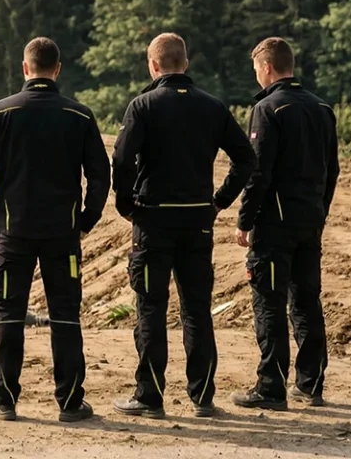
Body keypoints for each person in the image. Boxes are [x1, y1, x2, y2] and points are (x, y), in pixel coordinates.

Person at [110, 33, 256, 419]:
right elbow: (246, 158)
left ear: (153, 66)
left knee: (151, 309)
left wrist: (126, 205)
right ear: (185, 64)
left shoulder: (142, 106)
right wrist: (219, 201)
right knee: (196, 310)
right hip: (196, 220)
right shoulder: (213, 106)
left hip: (153, 219)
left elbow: (122, 161)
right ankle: (203, 396)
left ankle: (150, 396)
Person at [0, 37, 109, 423]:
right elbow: (100, 174)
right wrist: (87, 219)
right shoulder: (79, 116)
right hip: (62, 235)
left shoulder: (0, 113)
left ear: (25, 69)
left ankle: (5, 400)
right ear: (57, 69)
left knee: (9, 317)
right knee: (66, 317)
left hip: (13, 233)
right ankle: (69, 402)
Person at [232, 37, 338, 411]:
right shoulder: (323, 108)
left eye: (256, 69)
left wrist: (245, 219)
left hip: (276, 224)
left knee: (270, 303)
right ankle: (311, 383)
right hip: (310, 220)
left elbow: (258, 172)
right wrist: (320, 210)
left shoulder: (268, 109)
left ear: (266, 67)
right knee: (307, 301)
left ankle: (270, 386)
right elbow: (332, 170)